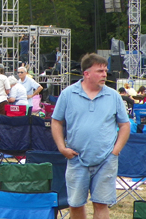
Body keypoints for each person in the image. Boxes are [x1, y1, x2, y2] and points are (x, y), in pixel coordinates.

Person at [51, 53, 130, 219]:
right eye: (100, 71)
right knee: (75, 204)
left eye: (105, 71)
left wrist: (115, 151)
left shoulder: (113, 96)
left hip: (106, 160)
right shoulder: (68, 94)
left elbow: (125, 125)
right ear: (86, 73)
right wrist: (61, 148)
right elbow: (56, 122)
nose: (104, 74)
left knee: (101, 204)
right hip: (76, 159)